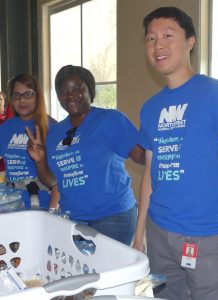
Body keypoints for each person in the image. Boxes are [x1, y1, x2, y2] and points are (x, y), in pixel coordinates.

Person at [133, 6, 218, 300]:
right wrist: (139, 234)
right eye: (150, 38)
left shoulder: (217, 94)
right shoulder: (150, 108)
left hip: (207, 235)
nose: (157, 45)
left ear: (190, 42)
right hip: (159, 232)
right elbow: (150, 174)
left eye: (167, 36)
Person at [26, 64, 144, 245]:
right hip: (73, 217)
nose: (70, 95)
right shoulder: (55, 133)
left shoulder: (110, 120)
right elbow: (52, 181)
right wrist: (40, 161)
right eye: (64, 91)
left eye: (77, 89)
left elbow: (142, 156)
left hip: (113, 216)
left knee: (107, 272)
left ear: (90, 90)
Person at [0, 73, 59, 209]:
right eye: (16, 96)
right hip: (10, 204)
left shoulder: (53, 128)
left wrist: (52, 212)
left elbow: (60, 180)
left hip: (41, 205)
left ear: (37, 96)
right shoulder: (6, 128)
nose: (22, 100)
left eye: (28, 94)